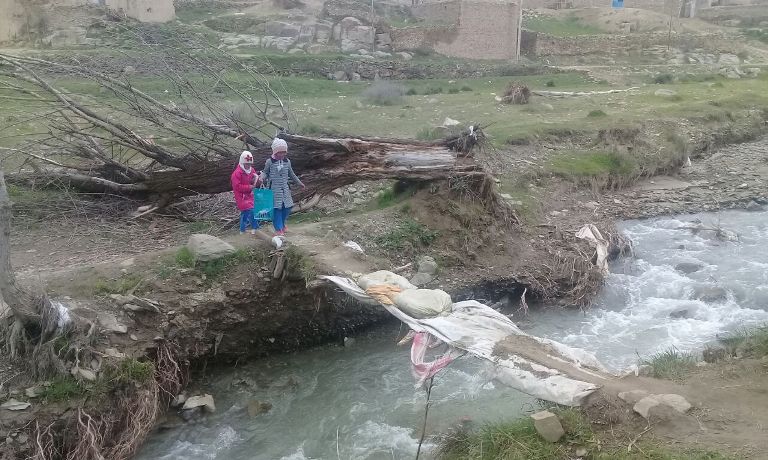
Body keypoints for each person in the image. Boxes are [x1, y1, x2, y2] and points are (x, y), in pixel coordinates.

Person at [262, 138, 305, 236]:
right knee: (277, 209)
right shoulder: (270, 162)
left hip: (285, 189)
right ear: (275, 152)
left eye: (283, 152)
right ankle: (278, 228)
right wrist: (261, 178)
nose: (282, 154)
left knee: (287, 207)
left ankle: (282, 224)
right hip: (274, 190)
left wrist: (299, 183)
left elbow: (292, 174)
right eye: (279, 152)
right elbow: (265, 172)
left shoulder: (287, 162)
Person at [231, 150, 261, 234]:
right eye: (246, 164)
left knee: (248, 212)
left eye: (249, 164)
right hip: (241, 197)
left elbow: (254, 178)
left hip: (250, 195)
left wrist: (258, 180)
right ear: (242, 163)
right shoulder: (237, 173)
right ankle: (253, 228)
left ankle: (245, 229)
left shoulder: (252, 170)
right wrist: (249, 187)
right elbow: (237, 186)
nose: (248, 166)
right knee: (249, 211)